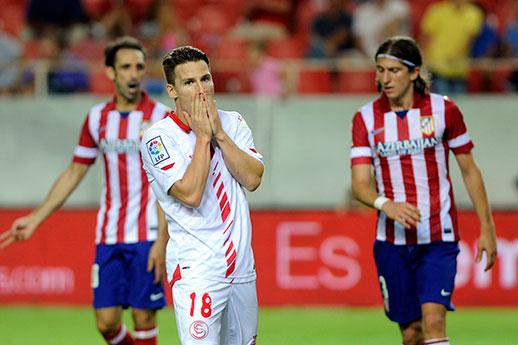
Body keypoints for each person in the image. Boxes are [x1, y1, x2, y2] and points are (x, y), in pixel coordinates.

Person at [0, 36, 169, 345]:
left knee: (144, 317)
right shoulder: (96, 119)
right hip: (108, 235)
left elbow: (166, 184)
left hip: (148, 234)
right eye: (126, 67)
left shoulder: (161, 118)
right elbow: (75, 171)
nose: (134, 74)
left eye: (139, 67)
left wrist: (162, 240)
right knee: (106, 323)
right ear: (110, 72)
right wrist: (35, 218)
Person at [350, 36, 497, 345]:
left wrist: (487, 227)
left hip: (438, 237)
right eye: (379, 70)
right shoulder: (365, 118)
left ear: (414, 73)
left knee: (433, 321)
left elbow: (469, 170)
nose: (384, 79)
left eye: (393, 70)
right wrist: (385, 204)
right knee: (411, 333)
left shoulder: (445, 111)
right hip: (391, 242)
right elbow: (360, 184)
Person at [140, 46, 264, 345]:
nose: (201, 89)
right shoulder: (158, 139)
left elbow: (252, 178)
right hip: (198, 270)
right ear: (171, 90)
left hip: (241, 267)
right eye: (189, 82)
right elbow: (191, 193)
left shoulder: (233, 122)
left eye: (205, 79)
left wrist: (219, 134)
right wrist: (203, 137)